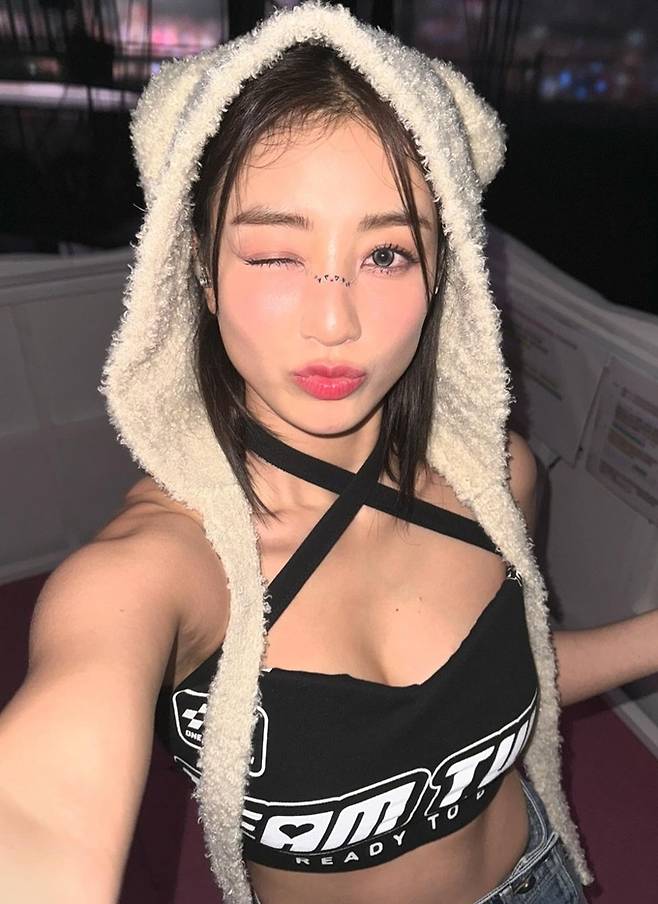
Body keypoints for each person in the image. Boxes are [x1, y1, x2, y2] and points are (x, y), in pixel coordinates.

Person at [1, 3, 656, 903]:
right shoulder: (158, 571)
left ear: (444, 269)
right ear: (198, 266)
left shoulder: (496, 477)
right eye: (275, 254)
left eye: (387, 254)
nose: (336, 320)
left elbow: (507, 680)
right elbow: (41, 810)